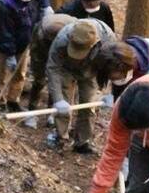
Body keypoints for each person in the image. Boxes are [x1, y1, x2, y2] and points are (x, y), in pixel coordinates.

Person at [46, 17, 116, 153]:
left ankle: (83, 142)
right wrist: (58, 99)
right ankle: (60, 137)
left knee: (89, 105)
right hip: (66, 69)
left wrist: (110, 92)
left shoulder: (107, 39)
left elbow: (111, 66)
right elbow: (53, 68)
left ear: (94, 43)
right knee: (63, 104)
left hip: (92, 70)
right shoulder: (62, 39)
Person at [0, 0, 45, 111]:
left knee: (20, 74)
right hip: (5, 45)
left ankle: (13, 100)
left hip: (24, 43)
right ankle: (0, 103)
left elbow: (38, 9)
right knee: (2, 75)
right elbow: (4, 32)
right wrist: (9, 54)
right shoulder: (4, 5)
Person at [25, 12, 76, 121]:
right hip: (42, 51)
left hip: (63, 51)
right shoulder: (41, 34)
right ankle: (31, 111)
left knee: (56, 81)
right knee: (39, 81)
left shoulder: (73, 31)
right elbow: (36, 54)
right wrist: (39, 69)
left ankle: (51, 113)